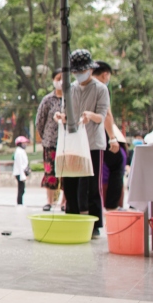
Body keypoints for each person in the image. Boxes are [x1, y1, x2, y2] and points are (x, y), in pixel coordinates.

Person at [56, 49, 110, 237]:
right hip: (73, 143)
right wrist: (61, 117)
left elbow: (102, 115)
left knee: (91, 184)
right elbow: (65, 113)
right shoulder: (70, 89)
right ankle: (72, 215)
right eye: (76, 72)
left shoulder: (100, 89)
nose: (79, 75)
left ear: (89, 69)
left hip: (93, 143)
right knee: (70, 181)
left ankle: (94, 223)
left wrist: (90, 116)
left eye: (82, 70)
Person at [92, 62, 126, 211]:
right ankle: (112, 204)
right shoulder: (101, 88)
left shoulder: (78, 86)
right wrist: (112, 137)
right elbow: (107, 114)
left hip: (84, 133)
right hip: (99, 133)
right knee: (119, 161)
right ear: (105, 74)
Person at [35, 68, 65, 211]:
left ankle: (64, 202)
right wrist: (45, 136)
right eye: (58, 78)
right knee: (50, 172)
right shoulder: (47, 100)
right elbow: (40, 121)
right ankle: (50, 201)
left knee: (67, 172)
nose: (61, 81)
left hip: (67, 142)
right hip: (51, 142)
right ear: (53, 80)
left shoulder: (71, 98)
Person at [12, 136, 30, 206]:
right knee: (21, 189)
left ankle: (20, 202)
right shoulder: (19, 152)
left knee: (22, 189)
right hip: (19, 173)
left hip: (21, 172)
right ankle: (20, 203)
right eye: (24, 143)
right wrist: (22, 175)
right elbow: (20, 164)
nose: (25, 144)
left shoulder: (21, 151)